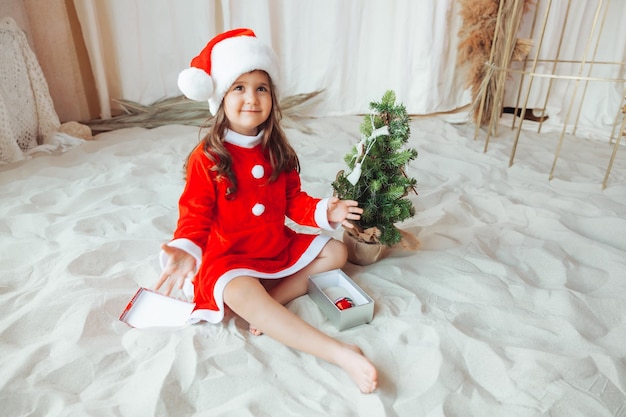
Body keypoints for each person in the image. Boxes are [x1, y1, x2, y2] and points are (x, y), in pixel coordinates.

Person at [154, 28, 378, 394]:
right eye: (239, 87)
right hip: (229, 256)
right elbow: (195, 213)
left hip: (273, 244)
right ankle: (339, 353)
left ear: (273, 97)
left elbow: (294, 202)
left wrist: (327, 211)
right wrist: (186, 246)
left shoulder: (278, 151)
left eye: (261, 88)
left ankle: (272, 302)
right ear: (221, 97)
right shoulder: (208, 157)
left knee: (336, 250)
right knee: (238, 291)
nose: (251, 98)